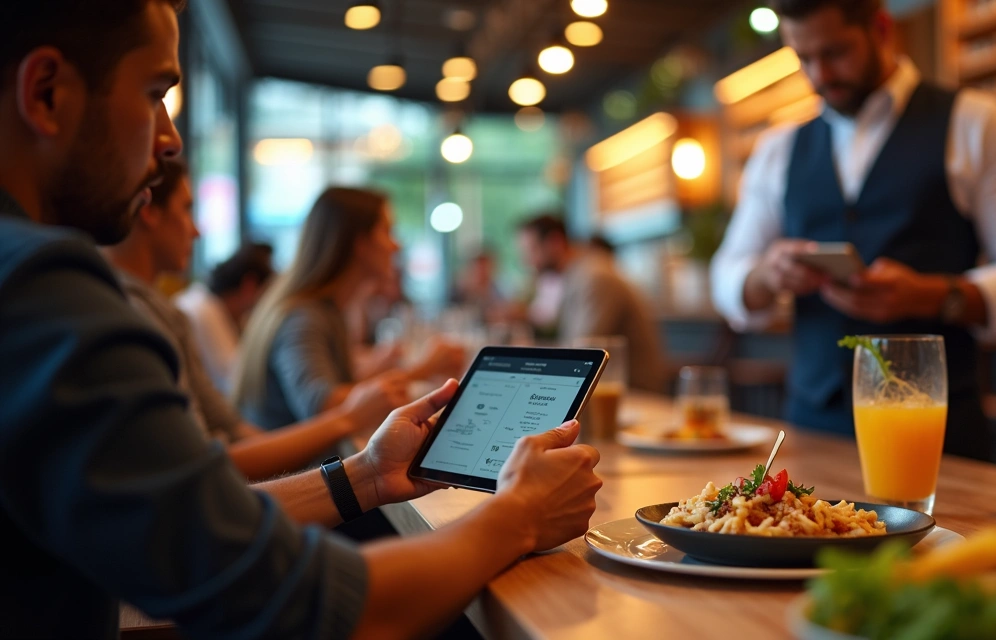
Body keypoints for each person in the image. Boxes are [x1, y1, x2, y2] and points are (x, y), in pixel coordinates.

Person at [0, 2, 602, 638]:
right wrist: (520, 515)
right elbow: (306, 605)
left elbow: (196, 523)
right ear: (46, 94)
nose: (171, 138)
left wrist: (366, 475)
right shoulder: (38, 288)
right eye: (156, 94)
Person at [710, 0, 996, 460]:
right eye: (804, 59)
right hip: (813, 430)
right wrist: (767, 275)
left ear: (881, 29)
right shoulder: (779, 147)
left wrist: (934, 295)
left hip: (936, 436)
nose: (820, 75)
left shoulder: (974, 122)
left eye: (835, 53)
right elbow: (726, 276)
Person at [101, 160, 415, 481]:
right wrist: (414, 375)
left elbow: (230, 430)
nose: (197, 230)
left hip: (260, 487)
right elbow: (319, 403)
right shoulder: (304, 315)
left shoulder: (169, 314)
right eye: (187, 209)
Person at [233, 187, 466, 430]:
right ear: (360, 243)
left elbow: (335, 389)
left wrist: (379, 372)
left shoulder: (327, 310)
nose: (395, 246)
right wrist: (422, 370)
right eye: (387, 232)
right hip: (294, 467)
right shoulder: (304, 317)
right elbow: (322, 405)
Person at [517, 214, 668, 393]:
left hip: (636, 396)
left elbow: (582, 354)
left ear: (554, 243)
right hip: (611, 392)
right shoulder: (577, 275)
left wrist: (525, 363)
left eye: (531, 251)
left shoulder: (595, 278)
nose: (527, 261)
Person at [176, 241, 274, 394]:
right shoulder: (203, 310)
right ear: (250, 285)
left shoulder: (205, 300)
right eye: (265, 295)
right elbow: (234, 383)